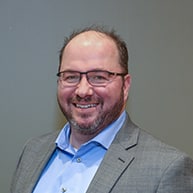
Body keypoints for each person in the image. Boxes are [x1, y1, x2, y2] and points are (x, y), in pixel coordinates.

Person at [11, 26, 193, 193]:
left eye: (99, 77)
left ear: (125, 86)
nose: (83, 91)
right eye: (71, 76)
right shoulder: (32, 151)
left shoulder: (167, 168)